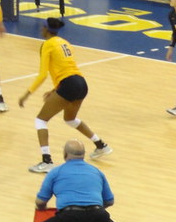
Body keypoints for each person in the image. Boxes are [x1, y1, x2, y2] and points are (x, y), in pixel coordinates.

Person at [17, 18, 112, 174]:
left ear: (46, 30)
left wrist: (26, 94)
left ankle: (47, 161)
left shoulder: (47, 45)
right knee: (70, 119)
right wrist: (56, 89)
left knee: (41, 120)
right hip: (81, 83)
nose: (41, 30)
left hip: (68, 84)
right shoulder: (65, 42)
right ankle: (101, 145)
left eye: (42, 28)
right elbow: (65, 68)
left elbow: (42, 75)